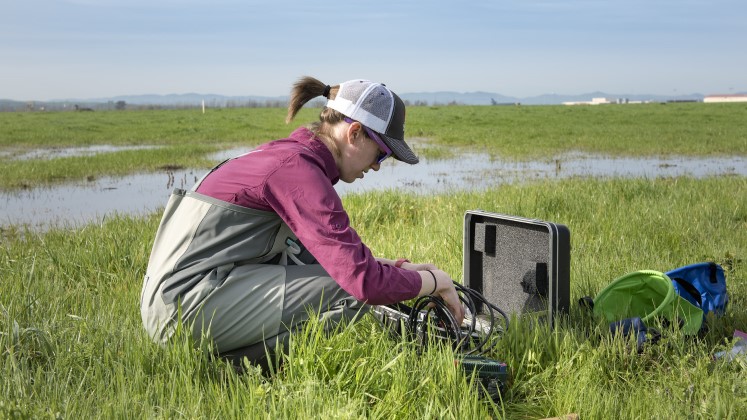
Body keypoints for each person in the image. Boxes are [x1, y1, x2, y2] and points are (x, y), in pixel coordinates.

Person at [140, 76, 465, 368]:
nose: (378, 167)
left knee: (336, 276)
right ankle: (229, 368)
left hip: (181, 298)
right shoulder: (298, 172)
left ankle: (220, 359)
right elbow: (363, 282)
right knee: (351, 293)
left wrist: (402, 270)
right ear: (354, 133)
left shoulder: (291, 156)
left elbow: (316, 258)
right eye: (381, 155)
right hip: (184, 308)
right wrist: (437, 282)